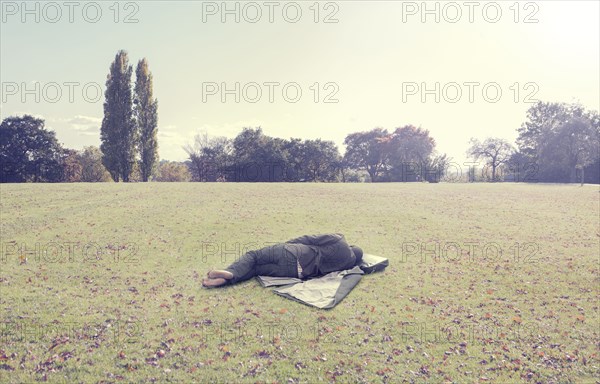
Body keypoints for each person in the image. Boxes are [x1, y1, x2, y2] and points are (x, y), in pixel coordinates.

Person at [203, 233, 363, 288]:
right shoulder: (346, 265)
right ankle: (223, 281)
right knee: (256, 270)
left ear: (351, 246)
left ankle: (230, 273)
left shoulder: (340, 240)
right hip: (296, 272)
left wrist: (288, 244)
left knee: (254, 256)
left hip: (294, 253)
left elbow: (309, 238)